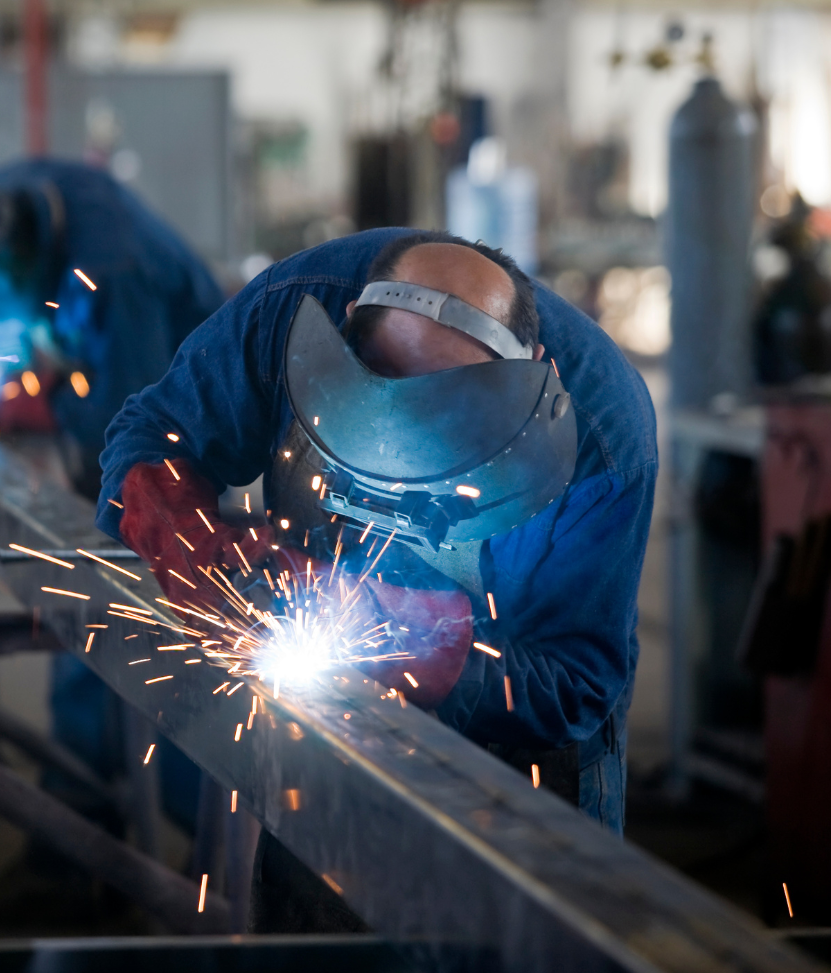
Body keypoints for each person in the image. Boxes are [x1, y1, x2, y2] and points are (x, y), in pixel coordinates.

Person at [99, 229, 657, 857]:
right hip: (315, 729)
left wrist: (394, 633)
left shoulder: (603, 439)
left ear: (531, 379)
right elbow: (153, 435)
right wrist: (196, 555)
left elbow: (572, 680)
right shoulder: (286, 313)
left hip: (518, 771)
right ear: (344, 335)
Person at [0, 159, 225, 832]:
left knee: (121, 608)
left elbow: (140, 450)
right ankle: (88, 820)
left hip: (181, 437)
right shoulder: (4, 200)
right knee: (93, 608)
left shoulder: (112, 281)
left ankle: (181, 845)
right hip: (112, 400)